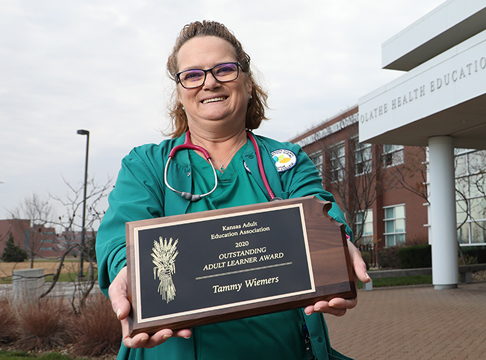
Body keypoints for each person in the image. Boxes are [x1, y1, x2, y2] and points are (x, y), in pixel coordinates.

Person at [96, 20, 370, 360]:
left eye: (224, 69)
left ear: (248, 82)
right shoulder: (147, 164)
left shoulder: (285, 160)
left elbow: (319, 208)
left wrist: (337, 245)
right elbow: (120, 236)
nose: (209, 82)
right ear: (180, 93)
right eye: (193, 75)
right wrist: (127, 271)